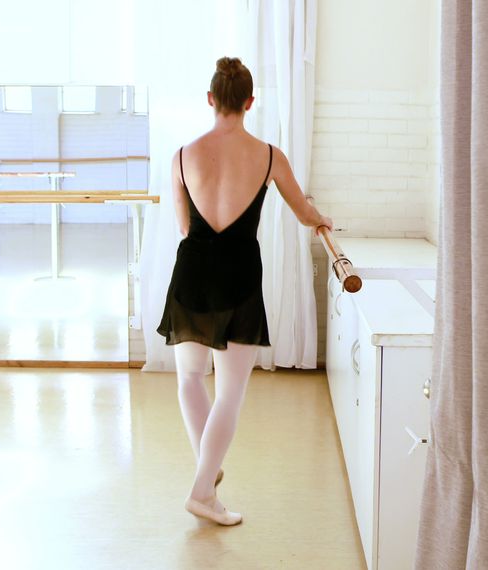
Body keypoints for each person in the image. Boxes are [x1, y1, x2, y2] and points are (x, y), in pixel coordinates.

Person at [155, 56, 333, 526]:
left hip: (192, 270)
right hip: (238, 273)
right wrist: (321, 221)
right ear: (249, 103)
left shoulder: (180, 156)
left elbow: (183, 225)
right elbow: (303, 211)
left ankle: (206, 483)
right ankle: (201, 487)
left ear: (211, 99)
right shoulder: (270, 155)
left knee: (190, 379)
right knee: (230, 391)